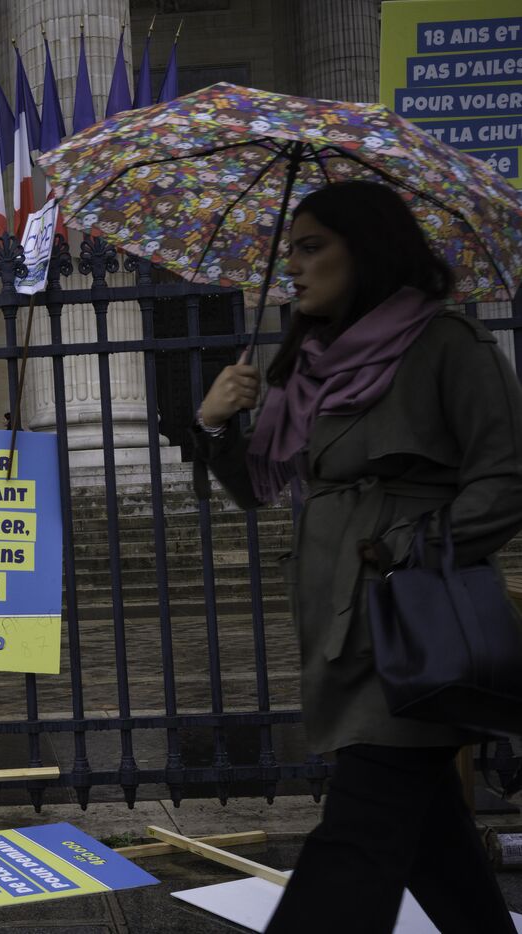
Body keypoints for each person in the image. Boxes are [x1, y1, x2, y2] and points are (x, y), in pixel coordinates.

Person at [192, 180, 521, 933]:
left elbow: (506, 479)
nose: (293, 267)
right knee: (430, 838)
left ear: (367, 251)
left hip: (413, 623)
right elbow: (257, 488)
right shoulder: (313, 366)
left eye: (312, 248)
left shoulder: (448, 345)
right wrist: (213, 423)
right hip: (340, 627)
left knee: (355, 842)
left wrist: (406, 549)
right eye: (292, 250)